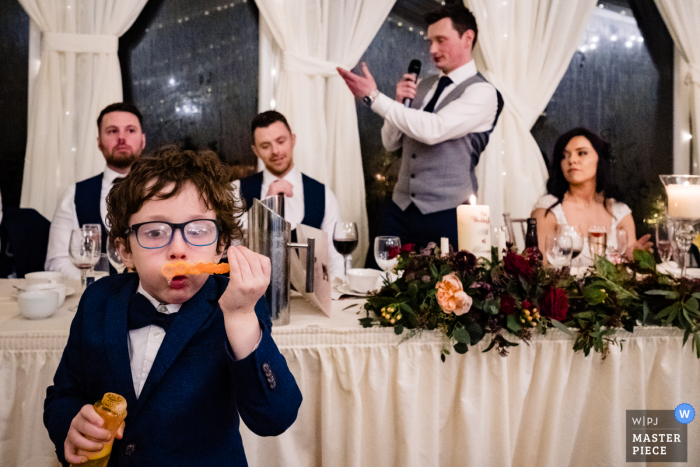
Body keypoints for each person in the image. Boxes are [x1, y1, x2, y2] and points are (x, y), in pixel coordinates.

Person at [44, 146, 302, 466]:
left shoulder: (235, 307)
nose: (178, 249)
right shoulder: (98, 300)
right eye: (154, 232)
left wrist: (240, 317)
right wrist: (70, 424)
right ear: (124, 250)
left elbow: (276, 417)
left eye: (197, 230)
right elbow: (62, 395)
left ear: (221, 245)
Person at [337, 3, 503, 250]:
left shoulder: (483, 92)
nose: (432, 49)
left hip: (448, 215)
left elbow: (432, 130)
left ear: (467, 38)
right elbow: (390, 142)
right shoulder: (423, 85)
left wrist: (374, 98)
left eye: (441, 40)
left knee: (444, 287)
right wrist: (397, 103)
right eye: (430, 41)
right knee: (383, 283)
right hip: (399, 210)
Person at [234, 110, 344, 278]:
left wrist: (335, 297)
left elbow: (336, 257)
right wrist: (263, 208)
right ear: (255, 151)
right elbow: (231, 247)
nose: (275, 151)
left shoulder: (323, 194)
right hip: (254, 299)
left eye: (280, 141)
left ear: (293, 140)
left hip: (311, 298)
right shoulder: (237, 190)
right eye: (265, 146)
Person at [45, 102, 146, 279]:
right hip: (98, 301)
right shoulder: (74, 195)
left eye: (130, 130)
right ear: (99, 142)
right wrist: (98, 285)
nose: (121, 138)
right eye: (112, 131)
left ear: (143, 140)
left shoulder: (162, 192)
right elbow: (56, 262)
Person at [531, 127, 653, 268]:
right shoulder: (548, 210)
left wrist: (634, 259)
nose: (572, 160)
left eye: (581, 153)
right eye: (564, 156)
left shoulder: (619, 212)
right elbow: (539, 272)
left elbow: (629, 270)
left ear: (599, 159)